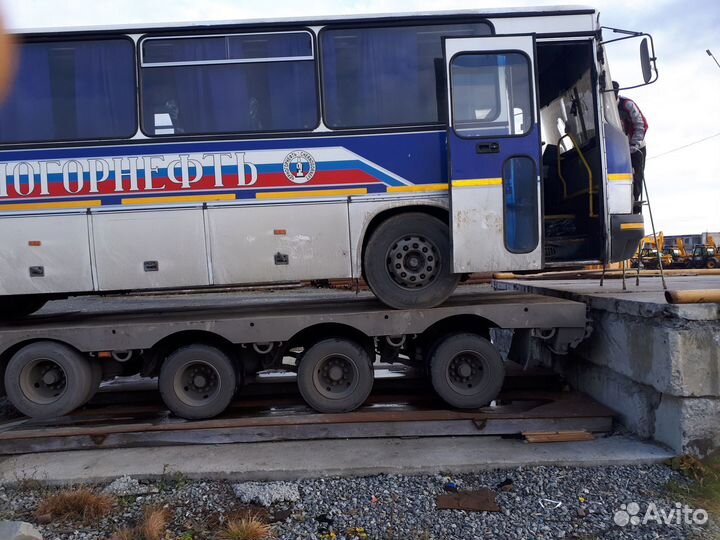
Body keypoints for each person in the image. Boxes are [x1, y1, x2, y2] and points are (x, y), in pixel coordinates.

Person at [613, 81, 648, 213]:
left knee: (636, 176)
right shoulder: (604, 107)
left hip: (636, 146)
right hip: (617, 148)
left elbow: (641, 125)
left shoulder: (627, 105)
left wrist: (634, 144)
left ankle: (635, 207)